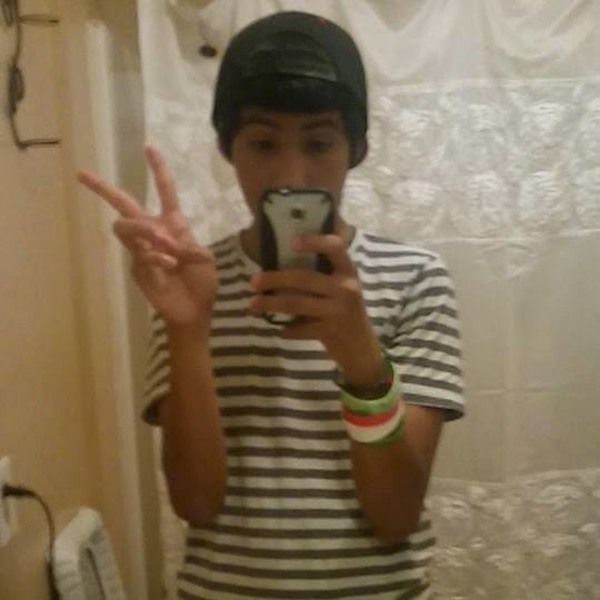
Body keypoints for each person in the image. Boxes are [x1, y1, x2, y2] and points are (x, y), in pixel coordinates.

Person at [78, 10, 464, 600]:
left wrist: (363, 364)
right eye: (262, 143)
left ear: (357, 148)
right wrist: (189, 329)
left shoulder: (416, 279)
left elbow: (394, 516)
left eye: (319, 142)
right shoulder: (187, 282)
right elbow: (196, 505)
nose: (291, 173)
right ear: (226, 147)